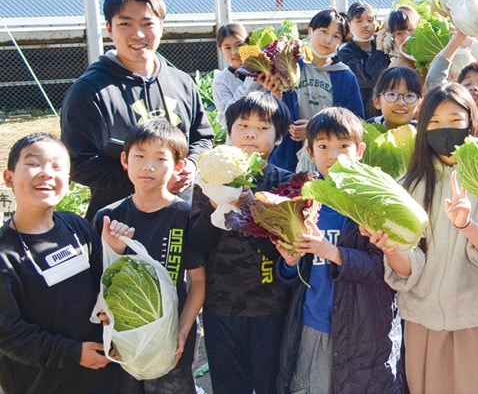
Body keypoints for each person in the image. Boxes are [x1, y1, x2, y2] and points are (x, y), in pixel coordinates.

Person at [384, 84, 478, 394]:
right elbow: (407, 260)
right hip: (421, 317)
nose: (445, 130)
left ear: (472, 122)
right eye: (435, 122)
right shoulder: (408, 185)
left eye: (455, 120)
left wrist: (466, 224)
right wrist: (390, 250)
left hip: (476, 316)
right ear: (422, 127)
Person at [275, 108, 401, 394]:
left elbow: (385, 269)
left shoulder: (374, 201)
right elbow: (291, 272)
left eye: (343, 146)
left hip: (364, 330)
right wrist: (290, 262)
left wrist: (334, 253)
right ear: (309, 150)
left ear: (360, 150)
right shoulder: (304, 200)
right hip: (313, 323)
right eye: (323, 146)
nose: (333, 155)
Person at [61, 0, 214, 219]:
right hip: (120, 224)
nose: (138, 34)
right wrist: (149, 179)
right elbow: (78, 161)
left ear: (161, 27)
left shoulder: (182, 82)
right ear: (109, 29)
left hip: (182, 217)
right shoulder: (89, 90)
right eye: (125, 24)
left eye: (147, 23)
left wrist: (192, 165)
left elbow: (202, 138)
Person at [191, 92, 294, 394]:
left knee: (269, 384)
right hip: (220, 307)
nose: (251, 133)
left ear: (278, 138)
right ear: (228, 132)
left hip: (271, 309)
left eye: (263, 128)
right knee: (227, 385)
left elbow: (288, 245)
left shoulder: (285, 184)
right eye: (242, 125)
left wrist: (253, 208)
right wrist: (214, 205)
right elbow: (196, 243)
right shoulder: (207, 182)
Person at [93, 119, 206, 392]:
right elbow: (98, 282)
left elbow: (199, 283)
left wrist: (182, 331)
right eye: (140, 156)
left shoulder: (186, 216)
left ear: (179, 166)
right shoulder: (107, 217)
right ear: (124, 159)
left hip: (170, 335)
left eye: (160, 158)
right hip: (125, 335)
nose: (148, 166)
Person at [0, 134, 114, 393]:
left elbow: (102, 282)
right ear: (9, 178)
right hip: (40, 382)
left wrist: (110, 309)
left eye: (57, 166)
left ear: (69, 181)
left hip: (99, 373)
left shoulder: (77, 225)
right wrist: (73, 353)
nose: (46, 173)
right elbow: (8, 333)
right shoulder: (5, 254)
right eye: (34, 163)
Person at [263, 9, 365, 173]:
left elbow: (356, 122)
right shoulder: (288, 66)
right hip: (285, 157)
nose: (328, 40)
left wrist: (314, 130)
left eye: (336, 36)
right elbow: (268, 116)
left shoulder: (345, 76)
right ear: (310, 31)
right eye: (323, 31)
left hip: (328, 161)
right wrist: (275, 96)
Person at [337, 1, 390, 119]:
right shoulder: (345, 53)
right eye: (359, 21)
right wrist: (380, 51)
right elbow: (368, 80)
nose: (365, 25)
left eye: (370, 20)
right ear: (349, 24)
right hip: (360, 115)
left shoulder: (385, 45)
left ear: (376, 23)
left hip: (385, 113)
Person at [213, 22, 255, 126]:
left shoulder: (265, 71)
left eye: (239, 45)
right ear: (221, 50)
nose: (234, 52)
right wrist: (252, 80)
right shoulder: (220, 81)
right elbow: (230, 111)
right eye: (227, 48)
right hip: (238, 139)